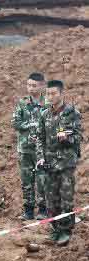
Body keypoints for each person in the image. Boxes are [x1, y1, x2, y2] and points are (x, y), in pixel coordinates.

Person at [36, 79, 83, 247]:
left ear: (61, 94)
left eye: (54, 93)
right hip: (49, 164)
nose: (50, 97)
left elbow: (79, 137)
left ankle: (65, 230)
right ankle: (55, 229)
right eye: (48, 94)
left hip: (66, 164)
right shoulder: (44, 114)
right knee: (51, 200)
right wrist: (40, 157)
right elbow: (40, 139)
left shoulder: (72, 113)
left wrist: (67, 138)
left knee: (66, 199)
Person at [13, 73, 48, 220]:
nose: (31, 88)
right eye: (28, 85)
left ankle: (43, 209)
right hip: (25, 149)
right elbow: (15, 123)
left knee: (42, 180)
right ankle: (28, 210)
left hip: (42, 150)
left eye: (34, 85)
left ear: (42, 86)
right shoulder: (22, 103)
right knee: (26, 180)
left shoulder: (47, 103)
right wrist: (30, 125)